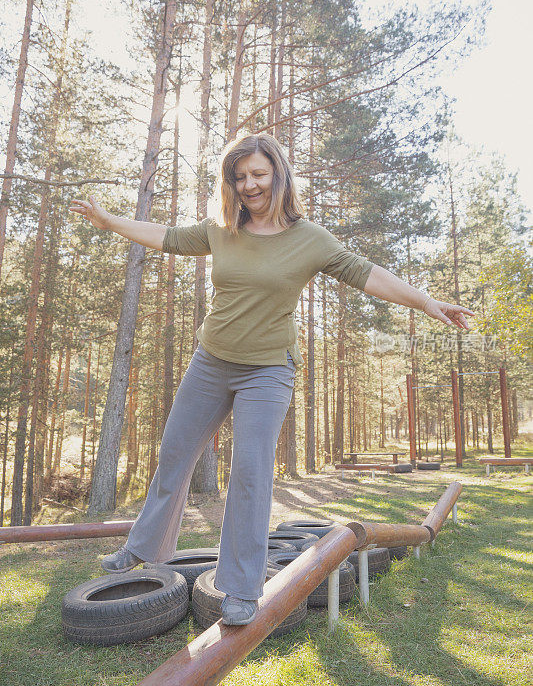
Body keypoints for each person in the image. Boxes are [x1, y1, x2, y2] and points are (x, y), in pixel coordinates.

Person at [69, 132, 473, 625]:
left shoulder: (310, 239)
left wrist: (426, 301)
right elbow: (166, 237)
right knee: (175, 452)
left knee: (251, 471)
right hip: (211, 360)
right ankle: (143, 548)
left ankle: (241, 587)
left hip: (268, 370)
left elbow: (368, 273)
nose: (249, 185)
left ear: (279, 174)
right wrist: (108, 220)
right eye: (240, 177)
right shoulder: (223, 229)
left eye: (258, 174)